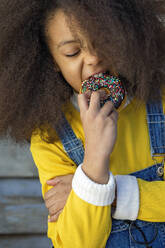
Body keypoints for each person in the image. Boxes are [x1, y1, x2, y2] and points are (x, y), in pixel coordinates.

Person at [0, 0, 165, 247]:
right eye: (72, 52)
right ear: (53, 61)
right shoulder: (49, 135)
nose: (93, 59)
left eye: (103, 42)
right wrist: (94, 161)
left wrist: (114, 194)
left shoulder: (160, 98)